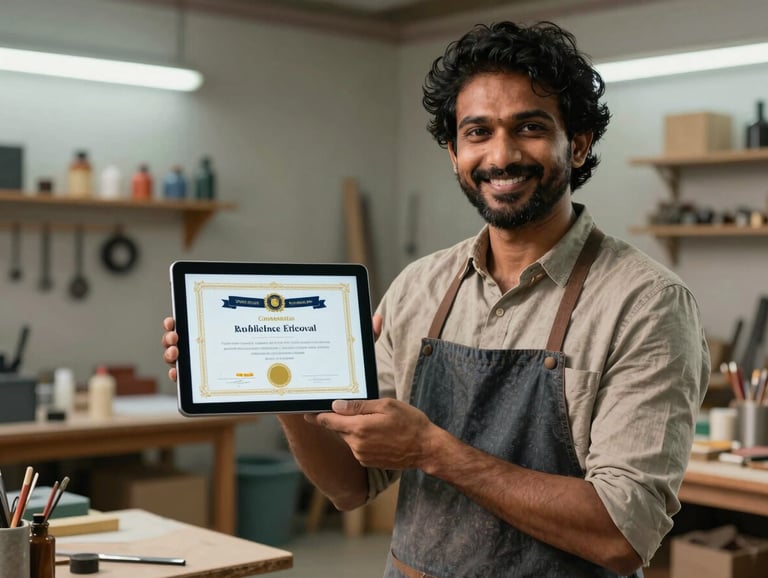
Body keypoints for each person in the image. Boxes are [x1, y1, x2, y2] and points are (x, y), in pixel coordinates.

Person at [162, 21, 709, 578]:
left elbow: (624, 532)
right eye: (477, 132)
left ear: (579, 143)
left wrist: (431, 450)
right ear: (453, 152)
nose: (501, 155)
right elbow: (351, 487)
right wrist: (272, 380)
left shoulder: (646, 303)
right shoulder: (419, 286)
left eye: (530, 127)